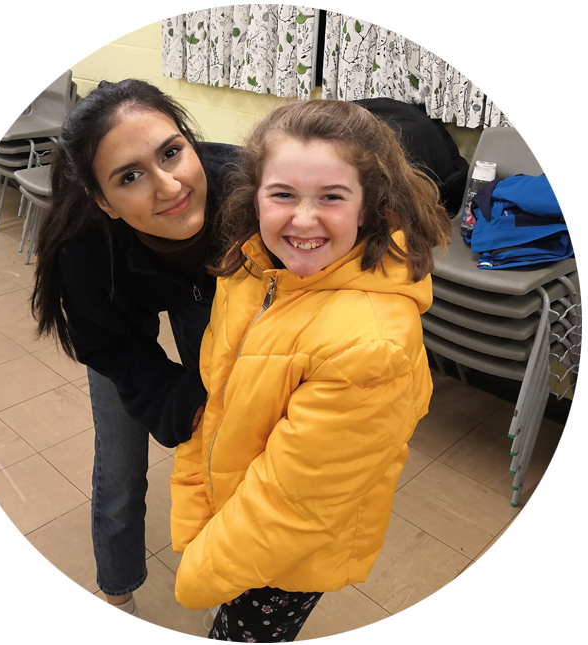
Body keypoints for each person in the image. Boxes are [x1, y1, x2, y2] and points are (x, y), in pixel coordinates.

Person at [169, 99, 453, 644]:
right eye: (282, 195)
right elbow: (217, 399)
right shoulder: (251, 269)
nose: (303, 219)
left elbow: (292, 504)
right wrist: (197, 516)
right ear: (255, 198)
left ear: (368, 207)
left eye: (331, 197)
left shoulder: (371, 345)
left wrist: (200, 569)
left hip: (291, 555)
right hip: (239, 523)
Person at [30, 78, 238, 618]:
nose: (169, 185)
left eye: (172, 152)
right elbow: (110, 348)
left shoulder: (248, 190)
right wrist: (173, 400)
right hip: (121, 310)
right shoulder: (85, 242)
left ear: (190, 143)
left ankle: (218, 572)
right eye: (130, 176)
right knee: (121, 460)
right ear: (105, 201)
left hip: (213, 290)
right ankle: (118, 594)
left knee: (226, 448)